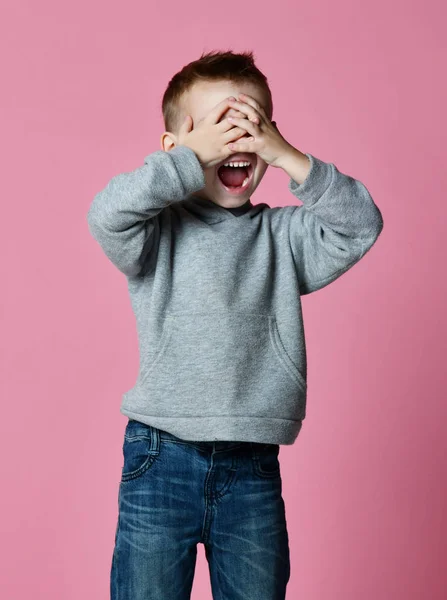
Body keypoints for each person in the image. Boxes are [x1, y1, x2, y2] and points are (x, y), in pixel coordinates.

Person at [87, 49, 383, 600]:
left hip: (252, 465)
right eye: (218, 130)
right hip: (160, 453)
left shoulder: (284, 237)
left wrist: (288, 155)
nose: (236, 143)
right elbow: (107, 214)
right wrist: (188, 158)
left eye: (250, 127)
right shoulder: (154, 233)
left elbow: (360, 225)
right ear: (177, 148)